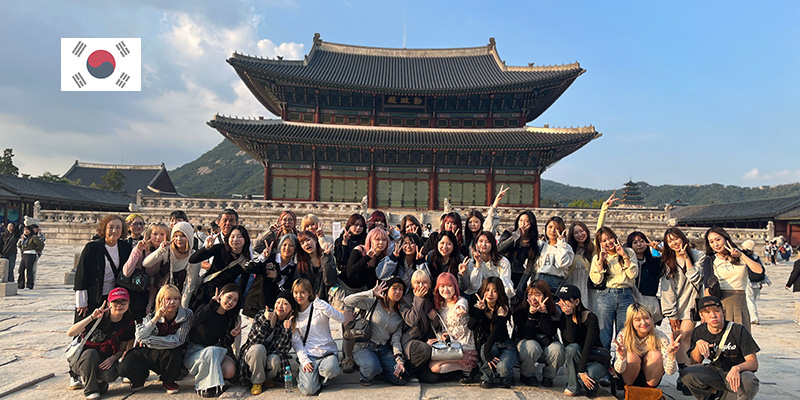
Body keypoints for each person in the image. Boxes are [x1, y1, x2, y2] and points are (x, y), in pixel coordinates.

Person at [680, 296, 760, 400]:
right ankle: (711, 395)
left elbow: (753, 363)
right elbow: (695, 363)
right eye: (707, 312)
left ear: (723, 312)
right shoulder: (699, 331)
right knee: (687, 373)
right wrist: (697, 346)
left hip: (738, 374)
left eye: (717, 311)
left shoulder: (738, 330)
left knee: (750, 381)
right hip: (715, 372)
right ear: (701, 315)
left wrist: (737, 368)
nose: (713, 315)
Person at [118, 284, 192, 394]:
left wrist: (148, 341)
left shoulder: (186, 315)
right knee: (124, 367)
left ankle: (168, 381)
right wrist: (157, 317)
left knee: (175, 353)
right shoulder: (151, 316)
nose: (172, 302)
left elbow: (178, 340)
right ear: (160, 300)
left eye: (176, 298)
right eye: (168, 299)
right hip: (150, 352)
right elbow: (140, 335)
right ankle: (140, 377)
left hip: (169, 352)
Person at [334, 227, 390, 372]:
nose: (380, 242)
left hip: (362, 291)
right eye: (377, 239)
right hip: (345, 289)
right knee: (349, 325)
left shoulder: (382, 258)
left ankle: (356, 354)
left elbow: (374, 280)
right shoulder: (359, 250)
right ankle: (347, 358)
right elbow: (350, 272)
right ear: (370, 240)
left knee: (360, 325)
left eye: (384, 240)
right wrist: (366, 259)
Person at [659, 227, 706, 395]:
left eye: (675, 238)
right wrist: (671, 313)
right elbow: (667, 289)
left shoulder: (699, 256)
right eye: (669, 241)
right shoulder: (668, 261)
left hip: (693, 304)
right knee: (680, 338)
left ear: (682, 238)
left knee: (685, 337)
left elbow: (696, 278)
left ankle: (688, 376)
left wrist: (686, 258)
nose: (674, 243)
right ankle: (685, 375)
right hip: (676, 306)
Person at [66, 288, 135, 399]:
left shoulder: (128, 323)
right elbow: (71, 333)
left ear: (128, 303)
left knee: (112, 373)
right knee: (91, 354)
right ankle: (91, 390)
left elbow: (122, 349)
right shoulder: (99, 316)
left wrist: (112, 359)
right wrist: (92, 317)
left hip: (105, 359)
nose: (119, 305)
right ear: (109, 303)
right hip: (83, 359)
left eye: (123, 301)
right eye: (115, 302)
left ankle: (99, 382)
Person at [345, 277, 408, 386]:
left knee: (400, 378)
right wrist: (371, 293)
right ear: (387, 290)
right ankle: (369, 372)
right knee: (371, 368)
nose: (398, 292)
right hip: (365, 345)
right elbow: (348, 301)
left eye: (401, 289)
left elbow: (396, 339)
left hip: (384, 349)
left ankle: (379, 369)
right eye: (394, 288)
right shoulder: (374, 302)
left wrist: (399, 360)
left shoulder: (400, 314)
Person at [184, 283, 242, 397]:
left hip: (215, 352)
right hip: (194, 352)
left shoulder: (229, 318)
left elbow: (224, 343)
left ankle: (211, 375)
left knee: (229, 370)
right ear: (221, 295)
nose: (230, 302)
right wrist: (211, 305)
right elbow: (193, 323)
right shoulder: (206, 308)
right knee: (212, 351)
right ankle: (206, 386)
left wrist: (231, 336)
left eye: (235, 300)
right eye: (229, 297)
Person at [74, 215, 134, 323]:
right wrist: (81, 302)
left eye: (118, 227)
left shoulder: (125, 247)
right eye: (111, 227)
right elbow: (82, 274)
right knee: (88, 327)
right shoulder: (92, 248)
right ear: (104, 228)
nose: (114, 231)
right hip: (94, 295)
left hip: (115, 297)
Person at [702, 227, 764, 331]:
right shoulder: (710, 260)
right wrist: (707, 311)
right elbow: (707, 288)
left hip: (740, 302)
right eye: (711, 242)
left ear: (726, 238)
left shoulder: (741, 256)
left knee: (741, 336)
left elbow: (759, 271)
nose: (715, 244)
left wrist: (741, 255)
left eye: (718, 240)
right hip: (720, 304)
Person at [292, 278, 346, 395]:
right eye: (296, 292)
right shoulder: (294, 314)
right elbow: (297, 343)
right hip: (310, 354)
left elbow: (341, 318)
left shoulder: (319, 305)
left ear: (309, 293)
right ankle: (307, 377)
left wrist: (325, 307)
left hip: (327, 353)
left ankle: (321, 378)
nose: (299, 296)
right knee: (309, 390)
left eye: (302, 292)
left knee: (331, 369)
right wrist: (304, 361)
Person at [590, 226, 638, 349]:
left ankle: (621, 359)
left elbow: (632, 274)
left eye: (610, 238)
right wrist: (601, 262)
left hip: (625, 294)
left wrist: (624, 256)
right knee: (603, 332)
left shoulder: (629, 252)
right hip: (606, 295)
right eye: (604, 240)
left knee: (625, 332)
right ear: (600, 243)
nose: (608, 242)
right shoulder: (597, 257)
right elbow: (596, 280)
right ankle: (603, 358)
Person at [240, 291, 295, 395]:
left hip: (269, 356)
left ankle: (267, 378)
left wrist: (286, 331)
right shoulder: (263, 314)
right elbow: (253, 340)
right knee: (259, 348)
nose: (280, 306)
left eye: (285, 304)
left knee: (275, 359)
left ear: (291, 309)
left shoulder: (289, 322)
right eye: (278, 302)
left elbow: (282, 350)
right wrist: (265, 321)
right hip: (253, 356)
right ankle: (257, 382)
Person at [612, 303, 679, 388]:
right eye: (638, 320)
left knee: (656, 355)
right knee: (631, 356)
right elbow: (619, 369)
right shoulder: (623, 336)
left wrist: (671, 355)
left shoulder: (660, 336)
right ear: (631, 321)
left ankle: (648, 391)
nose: (643, 322)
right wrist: (622, 357)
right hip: (627, 377)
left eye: (646, 318)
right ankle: (629, 390)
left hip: (650, 378)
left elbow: (670, 372)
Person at [556, 284, 607, 398]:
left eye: (566, 300)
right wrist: (568, 316)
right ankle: (573, 386)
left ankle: (593, 387)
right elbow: (569, 342)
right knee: (572, 348)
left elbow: (588, 345)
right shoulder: (564, 317)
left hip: (594, 359)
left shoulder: (591, 318)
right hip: (578, 357)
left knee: (590, 374)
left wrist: (582, 371)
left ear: (577, 302)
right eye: (560, 300)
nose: (562, 304)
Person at [514, 279, 564, 388]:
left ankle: (548, 377)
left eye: (537, 295)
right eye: (530, 295)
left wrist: (544, 314)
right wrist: (531, 316)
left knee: (558, 349)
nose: (533, 298)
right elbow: (526, 335)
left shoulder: (554, 311)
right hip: (527, 345)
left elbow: (550, 333)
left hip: (546, 344)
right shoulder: (521, 309)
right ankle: (527, 375)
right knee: (531, 346)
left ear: (545, 295)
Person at [430, 272, 479, 384]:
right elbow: (441, 329)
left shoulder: (461, 301)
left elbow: (461, 306)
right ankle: (464, 369)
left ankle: (469, 367)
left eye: (449, 286)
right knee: (433, 367)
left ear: (455, 287)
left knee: (435, 367)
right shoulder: (440, 306)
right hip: (450, 347)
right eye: (442, 286)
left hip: (463, 348)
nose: (446, 289)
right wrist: (441, 335)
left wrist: (460, 309)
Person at [469, 276, 517, 389]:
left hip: (505, 345)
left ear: (499, 293)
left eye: (495, 291)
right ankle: (486, 377)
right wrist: (479, 311)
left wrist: (487, 352)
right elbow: (470, 326)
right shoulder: (480, 306)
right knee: (485, 347)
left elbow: (495, 332)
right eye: (487, 290)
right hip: (489, 346)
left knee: (503, 369)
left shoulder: (503, 309)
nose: (490, 294)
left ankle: (507, 376)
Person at [189, 225, 251, 310]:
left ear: (245, 239)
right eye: (232, 236)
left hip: (224, 297)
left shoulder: (245, 260)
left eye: (239, 236)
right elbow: (193, 259)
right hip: (206, 290)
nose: (235, 239)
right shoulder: (220, 248)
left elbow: (241, 287)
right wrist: (207, 248)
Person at [143, 222, 201, 310]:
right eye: (176, 236)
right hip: (164, 299)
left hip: (182, 300)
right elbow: (146, 263)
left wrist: (182, 309)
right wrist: (161, 250)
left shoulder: (194, 257)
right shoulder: (167, 251)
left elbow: (190, 286)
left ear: (189, 236)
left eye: (183, 236)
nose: (179, 239)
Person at [398, 270, 437, 381]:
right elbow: (412, 321)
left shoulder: (430, 300)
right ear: (412, 285)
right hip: (410, 341)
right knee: (424, 349)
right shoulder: (405, 300)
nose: (421, 286)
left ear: (429, 284)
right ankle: (407, 371)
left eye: (424, 282)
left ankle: (419, 371)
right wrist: (418, 299)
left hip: (425, 339)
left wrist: (434, 319)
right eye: (417, 283)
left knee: (433, 378)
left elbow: (433, 326)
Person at [497, 210, 541, 298]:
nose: (523, 224)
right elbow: (499, 249)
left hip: (519, 274)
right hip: (504, 271)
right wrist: (515, 236)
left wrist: (520, 286)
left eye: (526, 221)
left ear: (531, 224)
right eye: (521, 220)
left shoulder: (532, 242)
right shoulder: (510, 232)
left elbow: (529, 267)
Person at [458, 231, 514, 299]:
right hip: (478, 296)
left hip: (497, 295)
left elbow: (505, 283)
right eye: (481, 241)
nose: (484, 244)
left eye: (487, 242)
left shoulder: (503, 262)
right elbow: (474, 286)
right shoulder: (472, 262)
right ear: (476, 244)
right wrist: (478, 264)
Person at [626, 231, 662, 324]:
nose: (639, 244)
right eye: (635, 242)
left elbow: (672, 257)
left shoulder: (655, 262)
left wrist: (658, 249)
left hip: (649, 303)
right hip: (630, 302)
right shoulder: (627, 263)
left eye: (642, 241)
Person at [535, 216, 574, 293]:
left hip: (555, 282)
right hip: (539, 279)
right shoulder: (541, 245)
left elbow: (562, 263)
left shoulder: (566, 247)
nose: (552, 230)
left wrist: (561, 244)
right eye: (550, 227)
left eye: (557, 228)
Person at [739, 240, 767, 325]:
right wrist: (761, 282)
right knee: (752, 299)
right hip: (756, 282)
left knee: (749, 300)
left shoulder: (743, 257)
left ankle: (754, 318)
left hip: (748, 281)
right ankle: (751, 316)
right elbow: (761, 270)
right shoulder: (756, 257)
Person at [17, 225, 44, 290]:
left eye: (27, 230)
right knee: (21, 270)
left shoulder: (33, 237)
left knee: (29, 269)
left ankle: (29, 285)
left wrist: (37, 250)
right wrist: (21, 240)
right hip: (24, 254)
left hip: (31, 254)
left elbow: (41, 245)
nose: (26, 231)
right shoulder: (24, 238)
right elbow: (19, 245)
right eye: (25, 230)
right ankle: (21, 285)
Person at [786, 258, 800, 325]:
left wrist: (789, 284)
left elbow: (795, 274)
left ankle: (799, 318)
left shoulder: (798, 262)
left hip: (799, 286)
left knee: (798, 303)